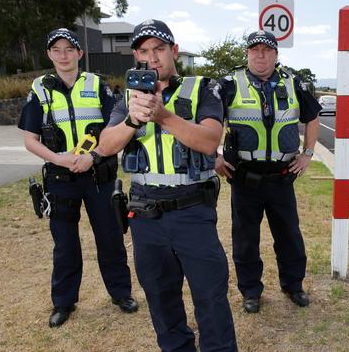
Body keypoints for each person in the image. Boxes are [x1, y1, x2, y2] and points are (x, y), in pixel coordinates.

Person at [98, 19, 237, 352]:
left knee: (211, 297)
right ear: (136, 56)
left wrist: (163, 116)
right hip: (146, 215)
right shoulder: (128, 99)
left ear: (174, 51)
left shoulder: (203, 88)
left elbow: (208, 140)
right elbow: (105, 146)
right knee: (161, 298)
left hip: (192, 211)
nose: (153, 58)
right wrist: (133, 119)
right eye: (144, 51)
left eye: (159, 49)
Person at [18, 28, 138, 328]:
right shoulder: (40, 89)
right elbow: (30, 139)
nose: (63, 55)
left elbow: (117, 128)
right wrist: (59, 158)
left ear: (79, 53)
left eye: (69, 49)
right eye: (56, 50)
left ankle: (121, 293)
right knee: (65, 245)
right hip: (60, 179)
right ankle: (63, 302)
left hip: (98, 174)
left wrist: (92, 156)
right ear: (49, 54)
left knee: (110, 238)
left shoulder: (97, 85)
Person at [215, 30, 322, 313]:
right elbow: (208, 120)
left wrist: (308, 154)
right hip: (243, 178)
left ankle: (293, 285)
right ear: (247, 54)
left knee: (289, 235)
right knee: (246, 240)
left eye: (266, 50)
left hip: (282, 177)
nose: (260, 55)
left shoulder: (293, 82)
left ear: (276, 54)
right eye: (255, 50)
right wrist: (213, 156)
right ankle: (251, 291)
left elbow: (312, 117)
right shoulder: (229, 84)